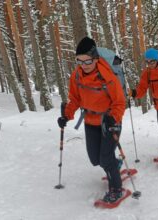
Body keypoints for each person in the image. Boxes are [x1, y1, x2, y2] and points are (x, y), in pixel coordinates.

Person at [56, 37, 126, 204]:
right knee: (95, 160)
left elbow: (119, 102)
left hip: (109, 122)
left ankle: (116, 189)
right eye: (79, 61)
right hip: (90, 121)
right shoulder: (76, 76)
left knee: (105, 158)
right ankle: (115, 164)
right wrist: (66, 115)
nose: (84, 65)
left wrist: (113, 118)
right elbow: (75, 99)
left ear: (95, 58)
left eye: (87, 61)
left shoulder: (106, 76)